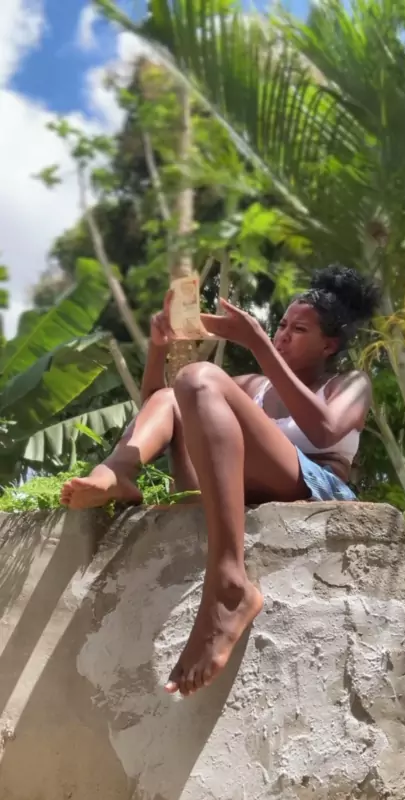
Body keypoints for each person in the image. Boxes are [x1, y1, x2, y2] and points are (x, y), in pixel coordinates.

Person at [61, 264, 379, 697]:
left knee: (201, 377)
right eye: (281, 325)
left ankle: (230, 581)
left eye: (299, 329)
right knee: (181, 389)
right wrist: (158, 348)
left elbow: (324, 430)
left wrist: (256, 342)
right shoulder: (256, 386)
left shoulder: (349, 384)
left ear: (330, 344)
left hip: (314, 484)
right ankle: (117, 472)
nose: (283, 335)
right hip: (241, 487)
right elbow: (161, 402)